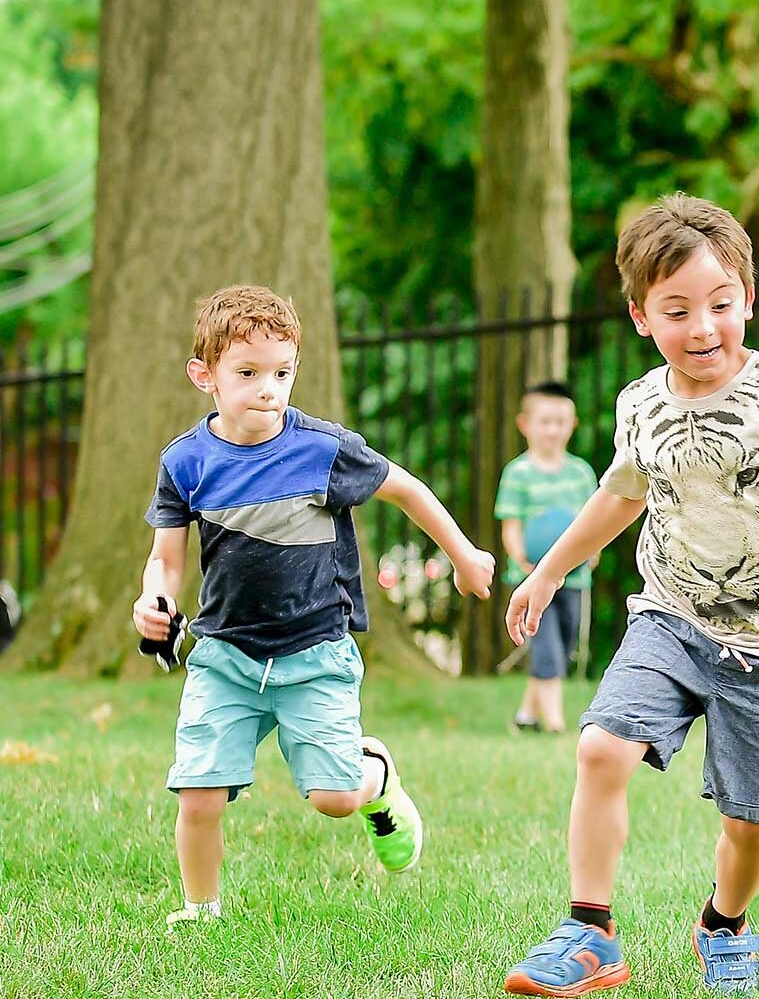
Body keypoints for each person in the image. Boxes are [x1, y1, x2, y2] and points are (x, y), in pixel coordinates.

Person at [500, 193, 759, 998]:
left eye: (720, 305)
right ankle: (589, 931)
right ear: (640, 316)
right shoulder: (640, 402)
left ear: (748, 300)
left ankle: (724, 924)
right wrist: (549, 569)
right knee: (600, 746)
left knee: (752, 823)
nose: (702, 327)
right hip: (670, 614)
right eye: (677, 310)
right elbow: (622, 495)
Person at [133, 285, 496, 927]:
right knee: (198, 792)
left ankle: (374, 777)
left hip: (315, 652)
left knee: (332, 799)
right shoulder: (185, 462)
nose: (268, 389)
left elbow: (406, 489)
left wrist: (464, 554)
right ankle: (200, 910)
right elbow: (166, 556)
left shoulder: (323, 448)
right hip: (225, 656)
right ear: (204, 376)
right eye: (247, 374)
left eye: (282, 372)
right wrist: (153, 596)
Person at [494, 380, 598, 733]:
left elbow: (594, 520)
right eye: (545, 421)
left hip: (574, 577)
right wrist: (521, 558)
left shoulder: (581, 473)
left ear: (573, 425)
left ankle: (527, 715)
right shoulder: (518, 473)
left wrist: (593, 550)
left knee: (563, 645)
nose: (552, 430)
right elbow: (510, 525)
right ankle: (554, 723)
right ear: (525, 424)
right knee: (546, 646)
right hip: (532, 578)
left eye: (560, 422)